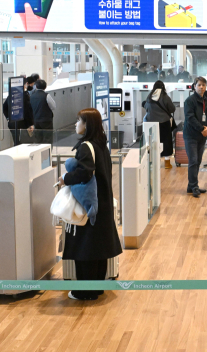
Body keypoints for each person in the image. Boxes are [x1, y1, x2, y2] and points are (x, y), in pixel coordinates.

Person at [58, 108, 122, 300]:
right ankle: (96, 288)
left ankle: (84, 291)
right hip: (102, 202)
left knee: (85, 249)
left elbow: (85, 173)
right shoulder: (101, 144)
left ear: (87, 124)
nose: (76, 124)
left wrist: (65, 178)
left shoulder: (86, 146)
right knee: (99, 249)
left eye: (79, 120)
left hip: (88, 205)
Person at [183, 77, 207, 197]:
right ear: (194, 86)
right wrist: (202, 129)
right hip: (191, 135)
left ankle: (191, 186)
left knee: (198, 161)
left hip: (202, 136)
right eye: (199, 85)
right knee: (193, 161)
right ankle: (194, 186)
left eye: (204, 85)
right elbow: (190, 117)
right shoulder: (189, 101)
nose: (201, 87)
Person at [143, 81, 176, 169]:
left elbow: (146, 108)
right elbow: (172, 109)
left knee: (153, 142)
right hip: (164, 123)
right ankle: (167, 163)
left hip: (151, 123)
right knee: (166, 142)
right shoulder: (165, 97)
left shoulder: (149, 97)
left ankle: (153, 163)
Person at [3, 77, 35, 146]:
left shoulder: (12, 95)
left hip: (12, 123)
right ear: (24, 85)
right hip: (22, 123)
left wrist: (8, 118)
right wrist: (30, 124)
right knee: (24, 143)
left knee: (16, 142)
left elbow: (4, 107)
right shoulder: (25, 95)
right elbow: (27, 111)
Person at [30, 79, 56, 145]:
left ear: (36, 87)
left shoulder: (32, 96)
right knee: (48, 138)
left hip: (36, 120)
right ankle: (48, 154)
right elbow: (53, 106)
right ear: (45, 87)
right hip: (46, 120)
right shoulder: (46, 95)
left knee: (38, 139)